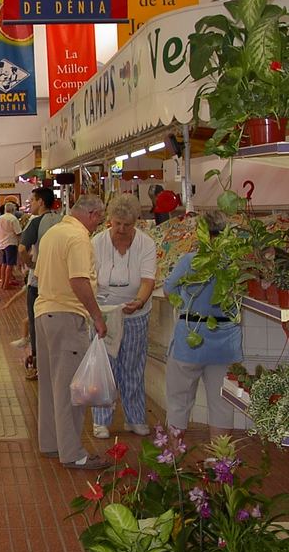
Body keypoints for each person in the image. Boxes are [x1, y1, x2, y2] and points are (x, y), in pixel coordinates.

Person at [34, 194, 109, 470]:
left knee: (50, 385)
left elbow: (40, 275)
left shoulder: (53, 233)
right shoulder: (79, 238)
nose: (97, 226)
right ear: (91, 214)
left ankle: (51, 443)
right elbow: (78, 280)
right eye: (98, 220)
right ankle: (73, 452)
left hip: (44, 314)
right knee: (70, 388)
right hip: (67, 316)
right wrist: (97, 316)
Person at [164, 210, 242, 439]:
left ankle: (173, 460)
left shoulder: (190, 261)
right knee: (222, 403)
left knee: (179, 401)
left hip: (190, 339)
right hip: (226, 342)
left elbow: (169, 290)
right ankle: (220, 464)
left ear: (201, 233)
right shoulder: (236, 263)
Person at [90, 194, 157, 439]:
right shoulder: (97, 242)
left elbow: (148, 279)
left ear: (136, 223)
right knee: (105, 367)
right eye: (117, 223)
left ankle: (135, 418)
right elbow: (90, 278)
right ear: (109, 220)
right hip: (104, 314)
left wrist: (139, 301)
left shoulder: (146, 244)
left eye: (127, 225)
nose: (121, 229)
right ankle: (101, 420)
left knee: (133, 367)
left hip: (136, 314)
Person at [16, 187, 61, 379]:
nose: (30, 204)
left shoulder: (35, 222)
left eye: (32, 200)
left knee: (36, 323)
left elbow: (21, 249)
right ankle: (58, 361)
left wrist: (30, 264)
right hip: (59, 281)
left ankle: (37, 364)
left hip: (38, 281)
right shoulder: (62, 220)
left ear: (41, 202)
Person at [0, 201, 23, 292]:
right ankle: (6, 284)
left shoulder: (0, 218)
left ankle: (3, 282)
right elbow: (18, 232)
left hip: (1, 243)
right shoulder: (13, 218)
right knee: (10, 264)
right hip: (11, 243)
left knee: (4, 263)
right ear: (13, 209)